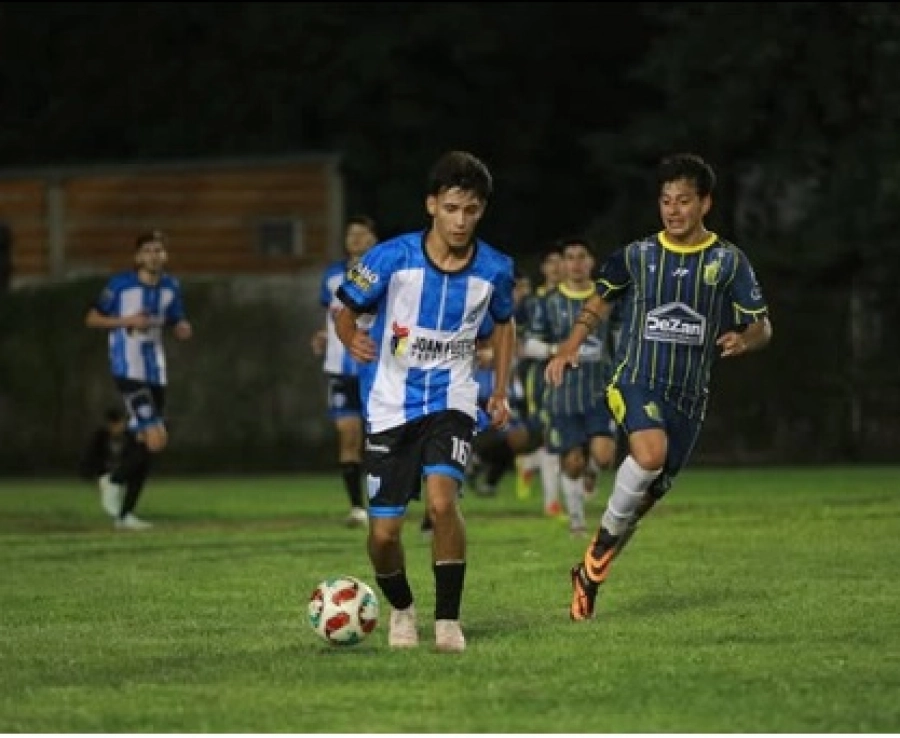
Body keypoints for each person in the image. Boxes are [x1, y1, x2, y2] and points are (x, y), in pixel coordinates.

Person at [546, 152, 772, 620]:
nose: (673, 209)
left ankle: (589, 573)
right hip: (635, 379)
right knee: (648, 455)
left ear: (704, 203)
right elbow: (600, 299)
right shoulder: (638, 255)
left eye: (683, 200)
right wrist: (570, 345)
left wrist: (746, 339)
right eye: (666, 200)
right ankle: (595, 559)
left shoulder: (728, 262)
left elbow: (762, 326)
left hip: (689, 398)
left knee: (639, 505)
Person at [334, 150, 516, 652]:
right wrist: (350, 338)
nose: (460, 221)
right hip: (389, 404)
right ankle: (401, 608)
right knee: (384, 535)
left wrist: (500, 390)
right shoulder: (391, 258)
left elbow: (505, 324)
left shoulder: (495, 269)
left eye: (471, 210)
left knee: (441, 502)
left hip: (452, 399)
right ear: (432, 205)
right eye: (452, 208)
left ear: (481, 211)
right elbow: (344, 309)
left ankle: (448, 621)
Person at [84, 229, 192, 530]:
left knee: (143, 445)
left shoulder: (171, 286)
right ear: (137, 257)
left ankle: (125, 515)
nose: (153, 256)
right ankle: (112, 480)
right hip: (128, 370)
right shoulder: (120, 285)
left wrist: (181, 326)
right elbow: (92, 318)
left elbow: (176, 318)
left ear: (165, 256)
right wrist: (126, 321)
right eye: (147, 250)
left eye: (158, 250)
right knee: (156, 438)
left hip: (156, 371)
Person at [521, 236, 618, 536]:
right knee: (571, 461)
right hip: (562, 393)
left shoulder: (606, 299)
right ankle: (577, 522)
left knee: (604, 457)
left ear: (591, 262)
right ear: (563, 264)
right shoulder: (548, 302)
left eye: (581, 256)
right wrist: (558, 350)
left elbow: (620, 336)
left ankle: (593, 470)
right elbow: (529, 344)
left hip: (600, 390)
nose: (576, 263)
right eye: (570, 257)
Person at [311, 215, 379, 527]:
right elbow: (333, 315)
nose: (355, 239)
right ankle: (357, 507)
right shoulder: (332, 275)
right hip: (339, 368)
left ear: (373, 240)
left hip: (374, 367)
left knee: (381, 439)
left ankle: (389, 504)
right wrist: (323, 335)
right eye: (351, 234)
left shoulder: (382, 274)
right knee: (348, 434)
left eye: (362, 234)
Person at [516, 245, 564, 513]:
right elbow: (520, 341)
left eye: (560, 261)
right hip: (541, 377)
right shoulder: (532, 302)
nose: (557, 267)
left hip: (575, 377)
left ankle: (529, 463)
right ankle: (552, 503)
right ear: (543, 268)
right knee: (551, 435)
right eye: (551, 262)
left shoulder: (580, 299)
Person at [78, 407, 131, 517]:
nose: (123, 426)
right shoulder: (99, 438)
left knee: (116, 493)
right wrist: (93, 476)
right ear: (112, 424)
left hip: (119, 472)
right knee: (110, 494)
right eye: (121, 424)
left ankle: (120, 513)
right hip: (104, 473)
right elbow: (90, 457)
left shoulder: (127, 437)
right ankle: (118, 515)